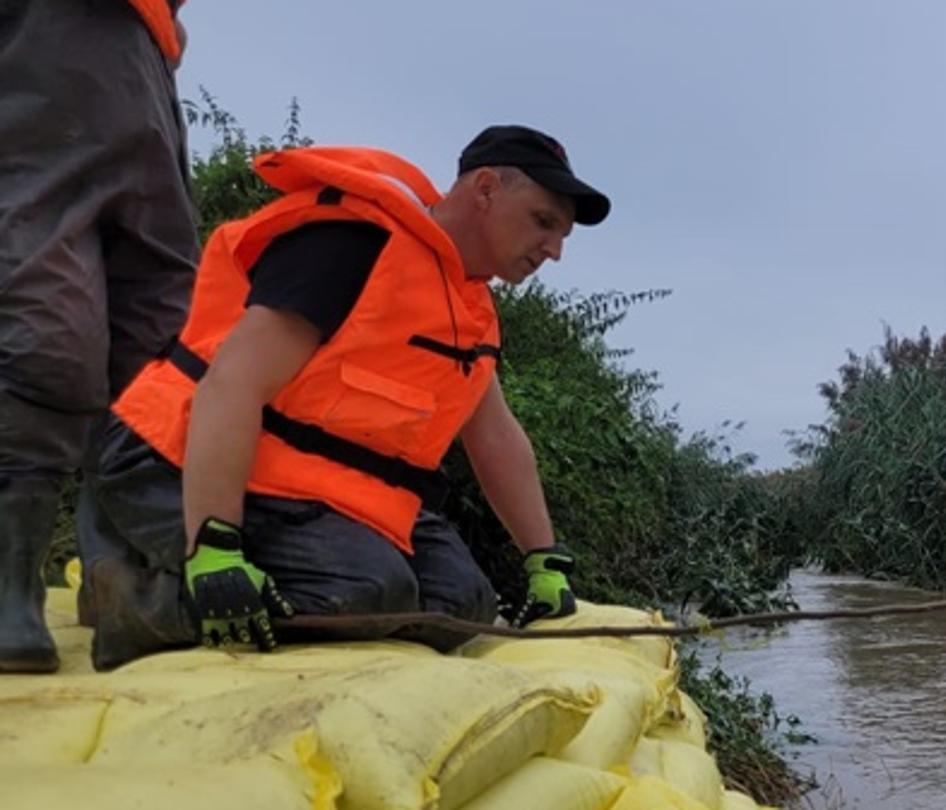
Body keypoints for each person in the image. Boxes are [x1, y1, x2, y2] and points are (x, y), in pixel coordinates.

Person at [77, 125, 608, 671]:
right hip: (171, 457)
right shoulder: (352, 241)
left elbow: (493, 434)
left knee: (461, 603)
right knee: (365, 590)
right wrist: (215, 547)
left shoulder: (467, 307)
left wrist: (543, 559)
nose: (554, 251)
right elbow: (232, 384)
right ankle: (135, 600)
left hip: (307, 486)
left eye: (562, 235)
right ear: (487, 188)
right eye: (543, 222)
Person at [0, 0, 198, 673]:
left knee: (160, 340)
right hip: (40, 38)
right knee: (47, 326)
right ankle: (9, 589)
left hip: (145, 61)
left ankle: (116, 579)